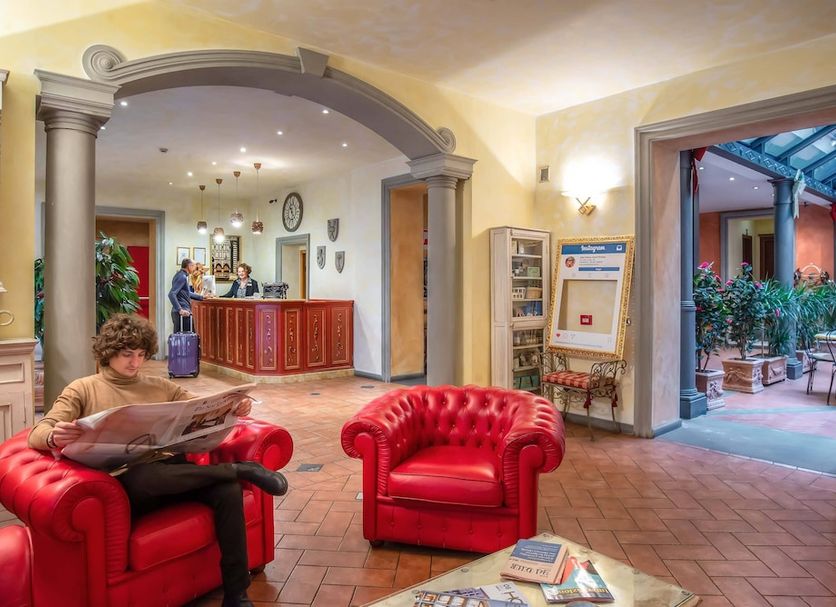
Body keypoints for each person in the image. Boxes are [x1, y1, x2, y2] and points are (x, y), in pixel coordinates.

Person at [28, 314, 288, 607]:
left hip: (174, 472)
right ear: (109, 351)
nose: (135, 362)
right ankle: (238, 470)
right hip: (130, 483)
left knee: (228, 491)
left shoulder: (160, 387)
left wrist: (234, 406)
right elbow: (38, 432)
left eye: (141, 354)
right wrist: (54, 436)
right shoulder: (83, 388)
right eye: (128, 354)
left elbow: (203, 408)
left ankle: (236, 594)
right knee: (145, 476)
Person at [169, 257, 203, 332]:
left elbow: (187, 293)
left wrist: (202, 297)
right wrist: (180, 309)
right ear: (189, 266)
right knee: (188, 337)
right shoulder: (182, 277)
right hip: (183, 312)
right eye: (194, 266)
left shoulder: (179, 275)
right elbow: (171, 294)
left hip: (180, 312)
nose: (195, 269)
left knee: (181, 337)